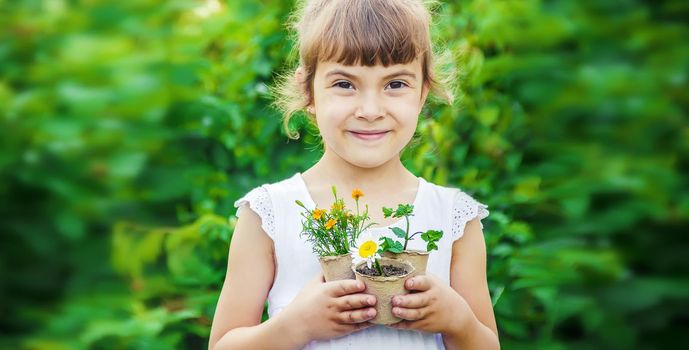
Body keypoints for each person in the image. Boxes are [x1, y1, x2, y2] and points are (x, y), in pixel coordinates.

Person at [209, 0, 499, 349]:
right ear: (309, 93)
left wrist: (459, 322)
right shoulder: (270, 214)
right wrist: (295, 325)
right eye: (345, 84)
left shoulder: (454, 218)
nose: (371, 110)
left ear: (423, 93)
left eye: (395, 84)